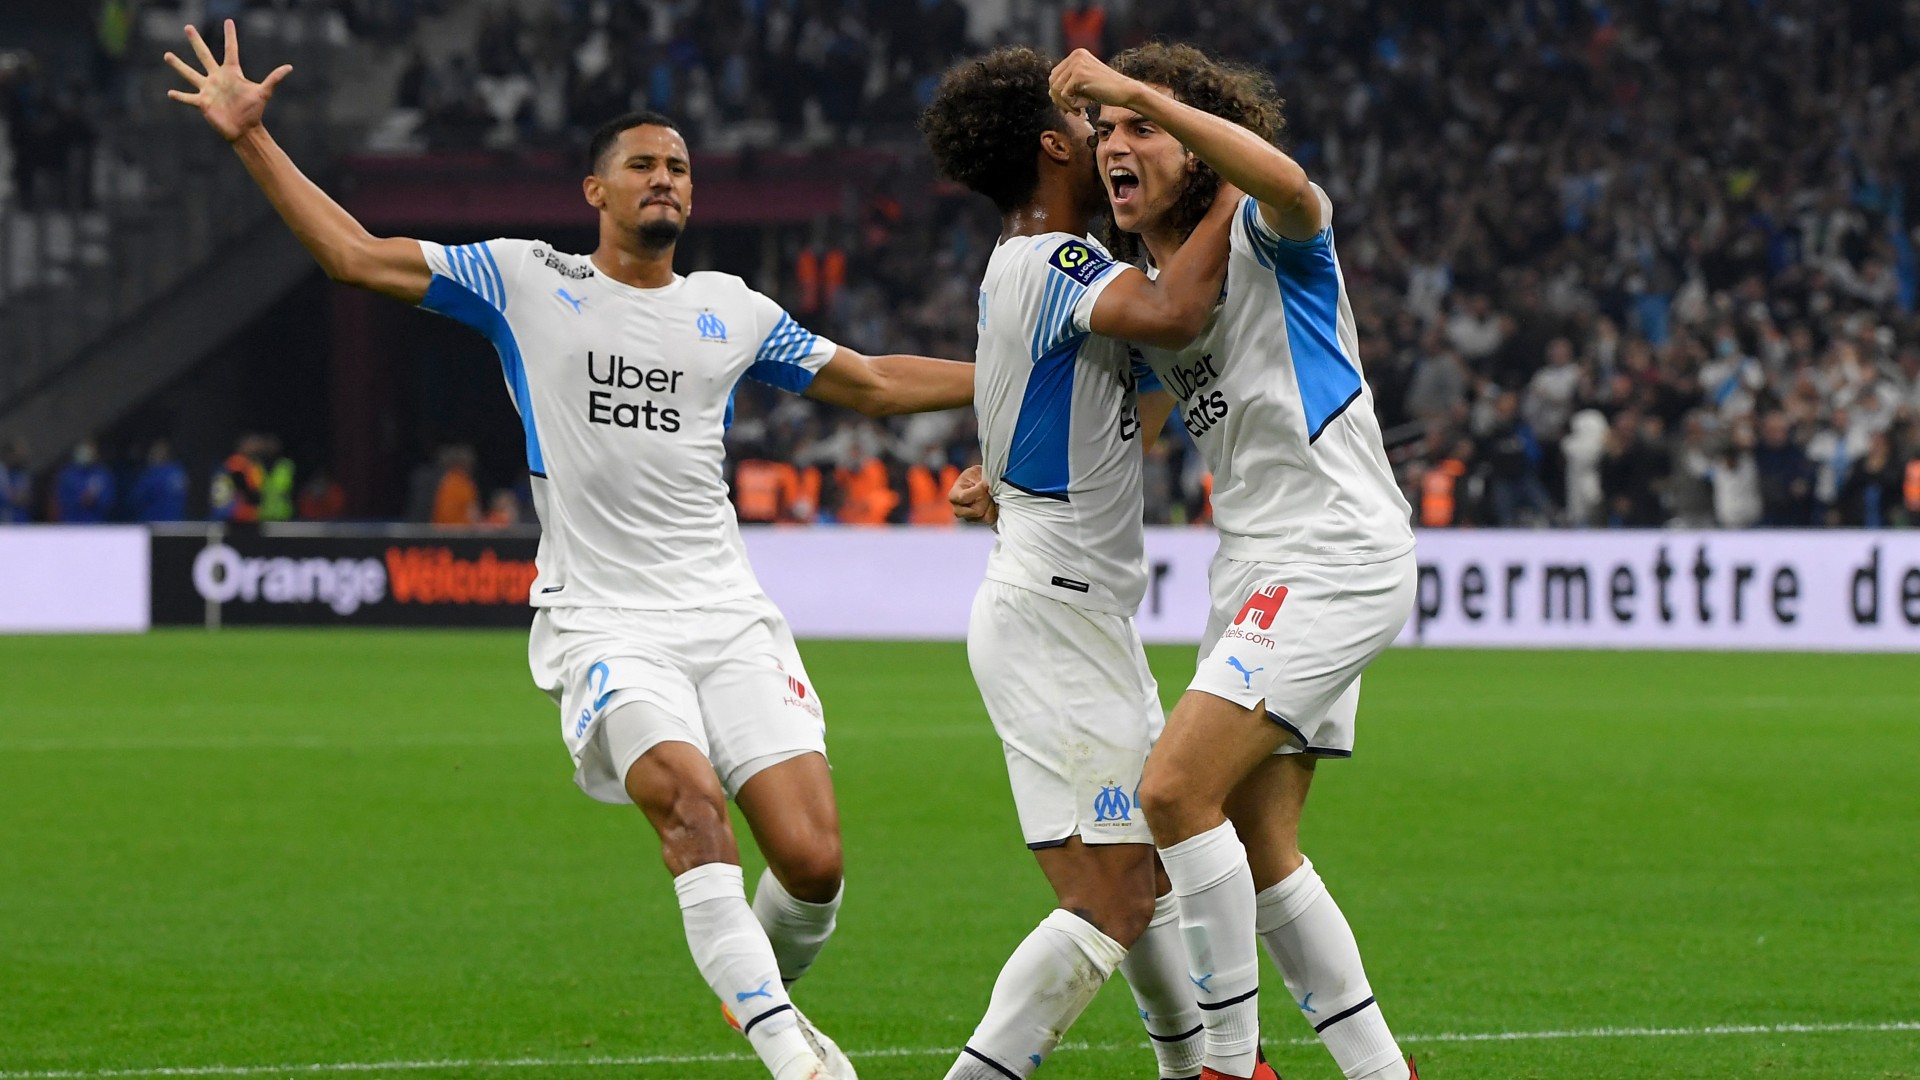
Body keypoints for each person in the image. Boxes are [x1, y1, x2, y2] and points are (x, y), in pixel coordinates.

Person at [166, 22, 974, 1080]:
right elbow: (355, 256)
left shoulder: (730, 311)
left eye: (679, 166)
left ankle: (757, 997)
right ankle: (794, 1055)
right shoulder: (524, 280)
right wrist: (249, 141)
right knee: (687, 801)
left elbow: (869, 381)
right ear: (594, 191)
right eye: (641, 164)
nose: (664, 179)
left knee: (814, 864)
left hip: (728, 614)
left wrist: (1007, 368)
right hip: (605, 619)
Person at [1051, 44, 1419, 1080]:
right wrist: (1012, 475)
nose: (1115, 146)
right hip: (1254, 570)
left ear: (1200, 148)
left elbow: (1295, 184)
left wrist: (1134, 88)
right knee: (1261, 850)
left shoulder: (1271, 231)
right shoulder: (1169, 294)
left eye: (1141, 130)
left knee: (1171, 793)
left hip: (1333, 547)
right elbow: (1142, 422)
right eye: (1105, 136)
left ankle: (1229, 1064)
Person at [921, 46, 1242, 1080]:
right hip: (1053, 614)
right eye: (1090, 123)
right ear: (1055, 144)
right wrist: (1239, 176)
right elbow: (1175, 315)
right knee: (1110, 898)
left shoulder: (1041, 268)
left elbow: (1129, 409)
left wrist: (995, 479)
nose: (1107, 140)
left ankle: (1190, 1070)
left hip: (1075, 612)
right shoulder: (1055, 261)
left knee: (1149, 874)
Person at [54, 439, 116, 523]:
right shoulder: (67, 474)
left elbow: (109, 499)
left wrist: (95, 502)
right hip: (71, 523)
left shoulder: (102, 474)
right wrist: (79, 501)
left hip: (96, 523)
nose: (85, 454)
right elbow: (61, 498)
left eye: (89, 452)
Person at [129, 439, 190, 522]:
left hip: (156, 524)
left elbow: (136, 499)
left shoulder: (154, 474)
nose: (152, 455)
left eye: (155, 452)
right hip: (176, 524)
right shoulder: (180, 471)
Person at [0, 438, 33, 523]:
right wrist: (11, 498)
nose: (21, 458)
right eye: (18, 455)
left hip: (21, 521)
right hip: (4, 520)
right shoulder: (2, 472)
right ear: (9, 454)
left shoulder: (22, 473)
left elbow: (26, 496)